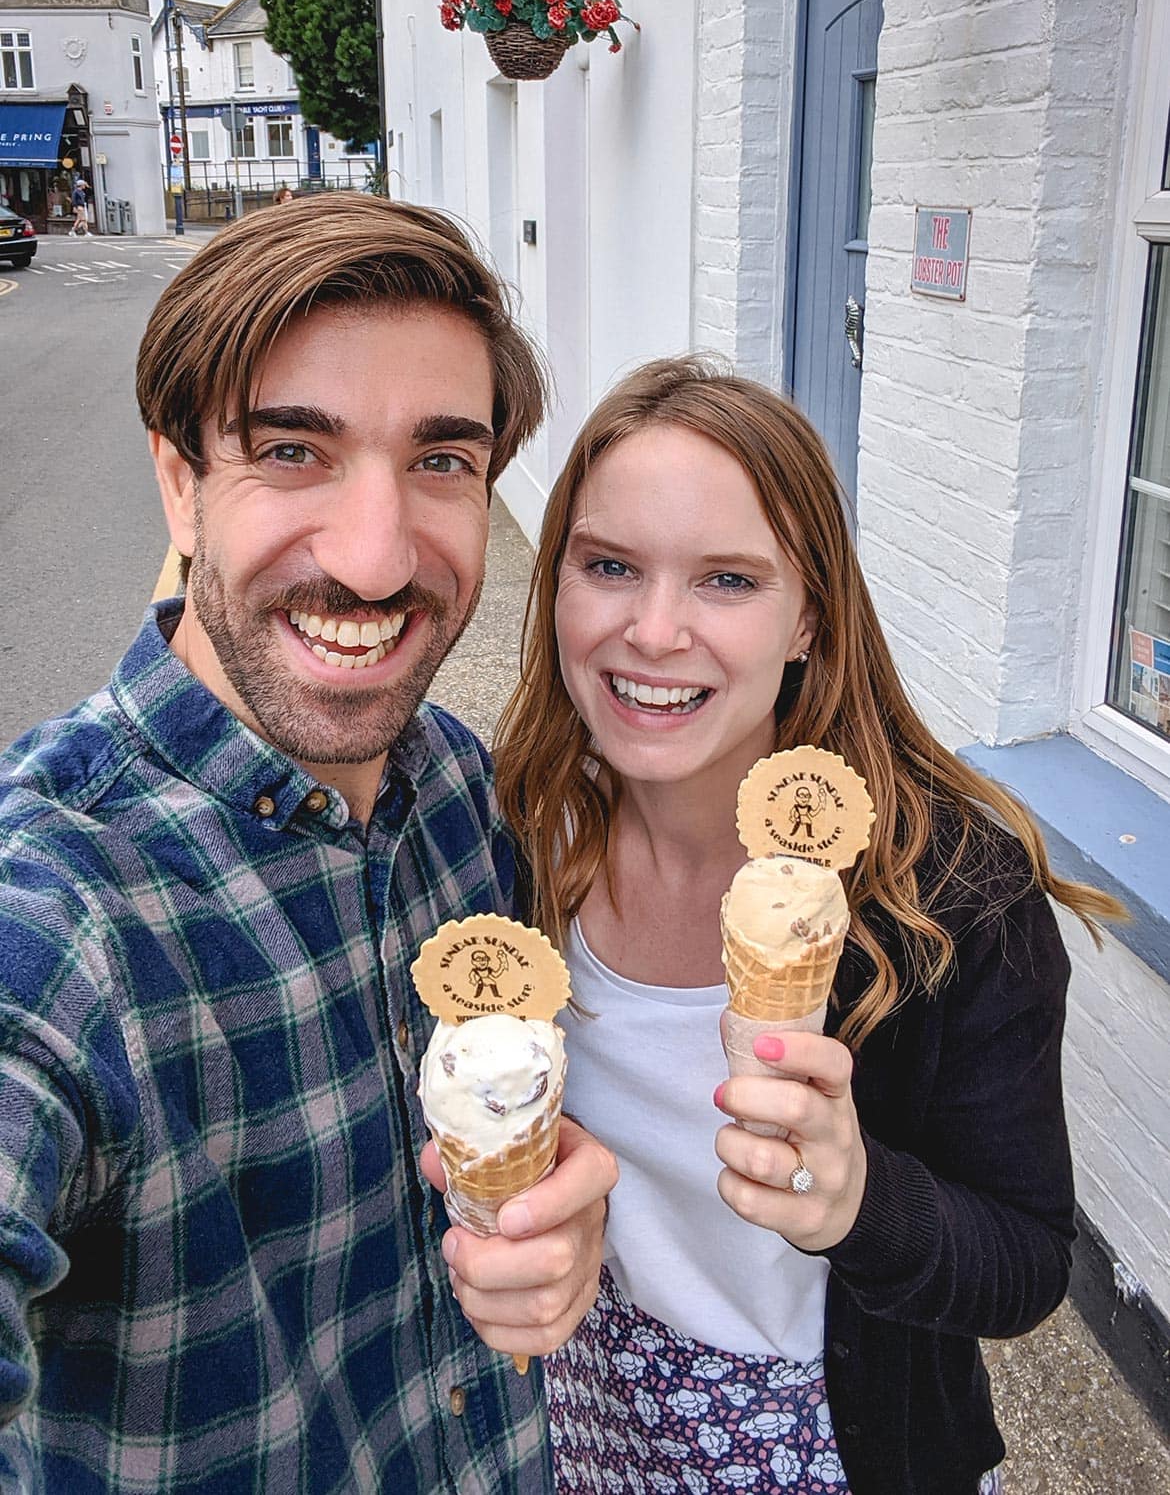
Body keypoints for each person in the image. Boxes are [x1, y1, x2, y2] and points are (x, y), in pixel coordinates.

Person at [0, 193, 616, 1492]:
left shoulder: (466, 793)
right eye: (292, 450)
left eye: (441, 460)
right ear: (179, 478)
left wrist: (552, 1230)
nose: (379, 556)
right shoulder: (60, 906)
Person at [495, 356, 1123, 1495]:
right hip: (582, 1423)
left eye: (727, 580)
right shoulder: (517, 840)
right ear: (555, 587)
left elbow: (1027, 1263)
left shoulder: (952, 903)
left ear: (808, 622)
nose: (654, 628)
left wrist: (862, 1204)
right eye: (609, 566)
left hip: (839, 1446)